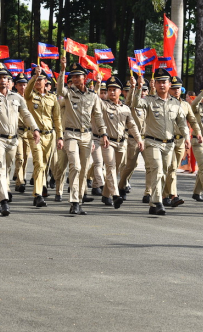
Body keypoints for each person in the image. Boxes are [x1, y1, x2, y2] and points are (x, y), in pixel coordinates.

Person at [130, 70, 200, 215]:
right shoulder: (149, 100)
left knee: (165, 172)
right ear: (155, 84)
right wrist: (138, 87)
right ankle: (157, 202)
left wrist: (187, 138)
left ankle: (153, 204)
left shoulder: (175, 104)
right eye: (159, 82)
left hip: (169, 144)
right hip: (152, 142)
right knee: (157, 170)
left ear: (169, 84)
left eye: (164, 82)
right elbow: (136, 103)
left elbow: (182, 123)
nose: (162, 84)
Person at [0, 62, 40, 216]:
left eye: (5, 77)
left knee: (6, 172)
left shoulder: (17, 97)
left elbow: (26, 114)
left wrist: (35, 128)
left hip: (12, 140)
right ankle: (3, 201)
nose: (2, 80)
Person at [56, 59, 108, 215]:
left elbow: (98, 115)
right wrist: (62, 70)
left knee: (84, 169)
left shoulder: (92, 96)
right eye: (73, 76)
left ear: (85, 77)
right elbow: (59, 90)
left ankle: (78, 201)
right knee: (76, 166)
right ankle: (73, 201)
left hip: (87, 135)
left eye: (79, 76)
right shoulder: (68, 93)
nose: (75, 79)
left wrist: (104, 133)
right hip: (70, 134)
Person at [100, 75, 143, 208]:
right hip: (107, 142)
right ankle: (116, 195)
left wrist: (139, 139)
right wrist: (96, 83)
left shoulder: (125, 108)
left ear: (120, 92)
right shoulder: (103, 105)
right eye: (110, 89)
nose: (112, 92)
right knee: (111, 167)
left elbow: (132, 125)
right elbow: (94, 99)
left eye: (115, 89)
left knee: (116, 169)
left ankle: (106, 194)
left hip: (121, 143)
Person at [24, 65, 62, 207]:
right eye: (37, 79)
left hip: (49, 136)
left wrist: (60, 137)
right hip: (35, 135)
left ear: (46, 81)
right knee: (38, 163)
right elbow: (27, 91)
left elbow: (57, 119)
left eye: (41, 79)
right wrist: (34, 76)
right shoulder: (30, 96)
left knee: (44, 165)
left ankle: (42, 185)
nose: (39, 81)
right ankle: (38, 195)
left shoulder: (52, 98)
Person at [163, 75, 201, 207]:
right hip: (166, 141)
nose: (176, 91)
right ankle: (173, 195)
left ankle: (164, 195)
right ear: (169, 89)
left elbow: (192, 120)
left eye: (178, 88)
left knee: (171, 169)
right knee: (172, 167)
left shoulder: (185, 105)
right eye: (173, 88)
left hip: (180, 142)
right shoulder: (164, 103)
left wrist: (197, 132)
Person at [118, 79, 148, 202]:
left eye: (145, 90)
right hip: (133, 139)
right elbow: (129, 101)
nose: (143, 93)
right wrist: (134, 88)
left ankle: (149, 193)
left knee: (152, 167)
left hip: (148, 140)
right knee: (130, 166)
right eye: (142, 90)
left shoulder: (149, 104)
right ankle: (122, 186)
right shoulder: (132, 104)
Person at [12, 73, 32, 193]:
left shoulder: (30, 98)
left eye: (24, 84)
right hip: (17, 131)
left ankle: (22, 177)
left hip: (28, 132)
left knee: (25, 157)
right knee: (19, 157)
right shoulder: (13, 98)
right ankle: (20, 181)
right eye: (20, 85)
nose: (22, 87)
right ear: (16, 86)